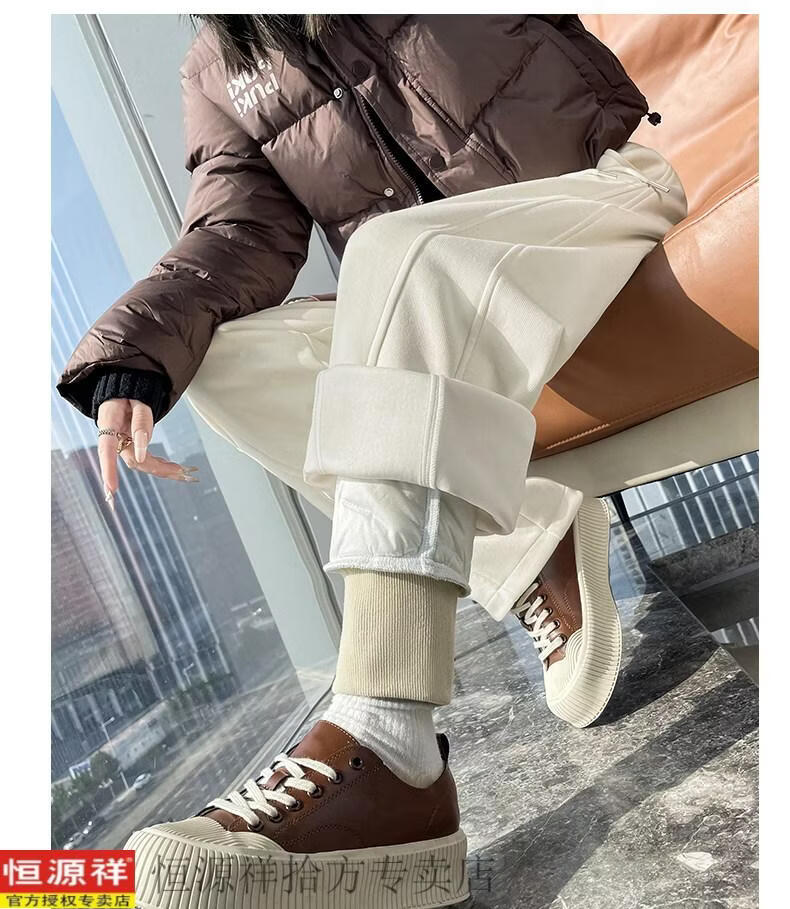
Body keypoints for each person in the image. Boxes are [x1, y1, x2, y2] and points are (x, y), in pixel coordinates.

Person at [57, 14, 687, 908]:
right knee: (220, 357)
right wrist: (135, 350)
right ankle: (526, 537)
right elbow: (238, 226)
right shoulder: (222, 60)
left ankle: (389, 738)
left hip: (591, 196)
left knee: (400, 252)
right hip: (440, 290)